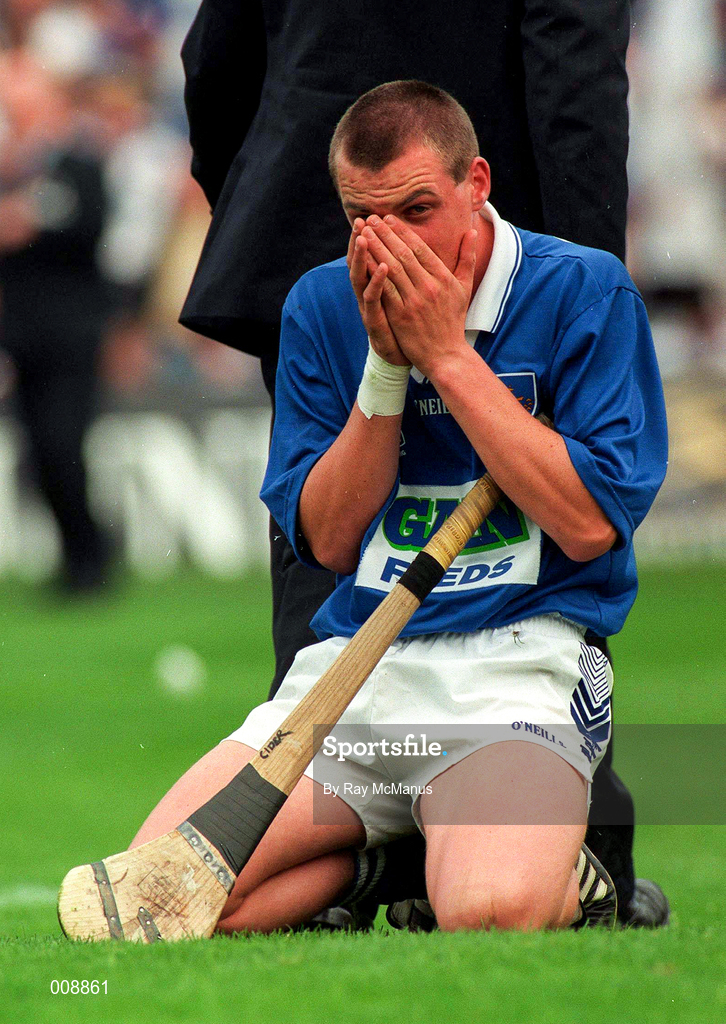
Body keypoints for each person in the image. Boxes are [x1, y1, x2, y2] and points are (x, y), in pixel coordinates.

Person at [133, 81, 668, 934]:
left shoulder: (582, 290)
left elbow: (591, 523)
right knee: (163, 897)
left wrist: (449, 357)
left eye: (419, 208)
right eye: (363, 218)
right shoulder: (319, 304)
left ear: (478, 184)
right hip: (357, 673)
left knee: (491, 914)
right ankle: (385, 866)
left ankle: (576, 875)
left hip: (513, 671)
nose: (392, 243)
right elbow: (332, 541)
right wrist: (386, 368)